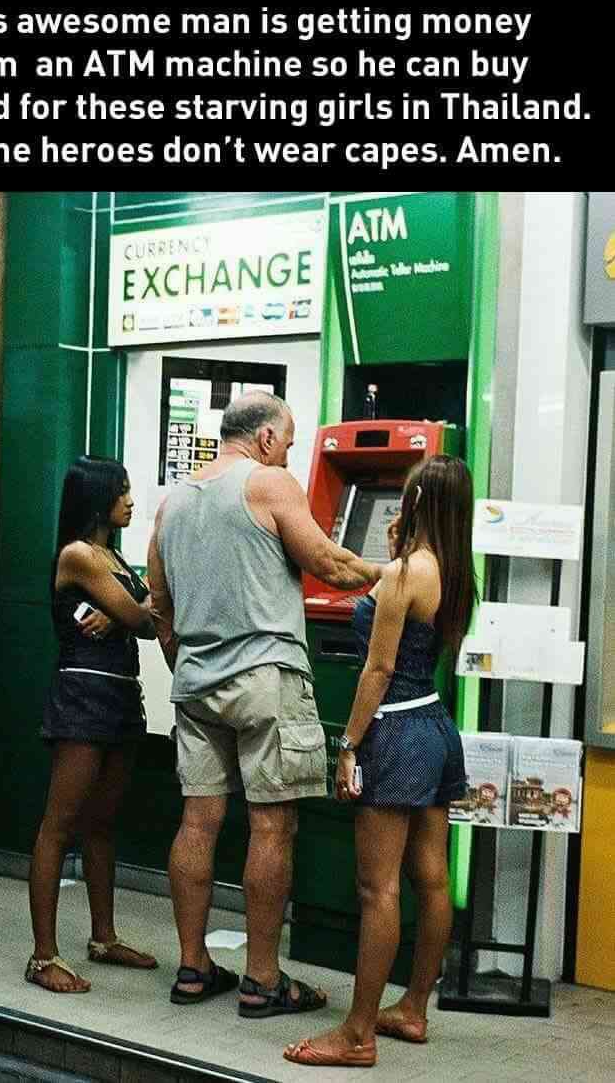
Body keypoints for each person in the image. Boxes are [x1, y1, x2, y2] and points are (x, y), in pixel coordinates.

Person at [148, 392, 383, 1016]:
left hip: (196, 681)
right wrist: (397, 575)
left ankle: (193, 969)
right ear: (268, 438)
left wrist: (189, 664)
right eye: (291, 439)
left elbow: (159, 605)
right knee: (272, 824)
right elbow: (329, 563)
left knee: (197, 822)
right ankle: (261, 980)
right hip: (265, 677)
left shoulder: (173, 504)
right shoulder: (270, 483)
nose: (292, 451)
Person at [285, 455, 477, 1068]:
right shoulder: (454, 571)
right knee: (432, 877)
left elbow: (378, 667)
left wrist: (349, 745)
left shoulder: (402, 574)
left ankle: (358, 1032)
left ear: (416, 502)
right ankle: (413, 1008)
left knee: (378, 887)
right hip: (437, 727)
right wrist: (389, 558)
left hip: (393, 731)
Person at [25, 456, 159, 993]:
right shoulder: (80, 555)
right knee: (58, 825)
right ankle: (42, 957)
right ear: (98, 497)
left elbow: (146, 610)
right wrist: (134, 605)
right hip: (83, 696)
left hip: (119, 696)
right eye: (122, 491)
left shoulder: (111, 557)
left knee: (103, 822)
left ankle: (102, 937)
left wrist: (134, 603)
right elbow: (148, 619)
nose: (130, 500)